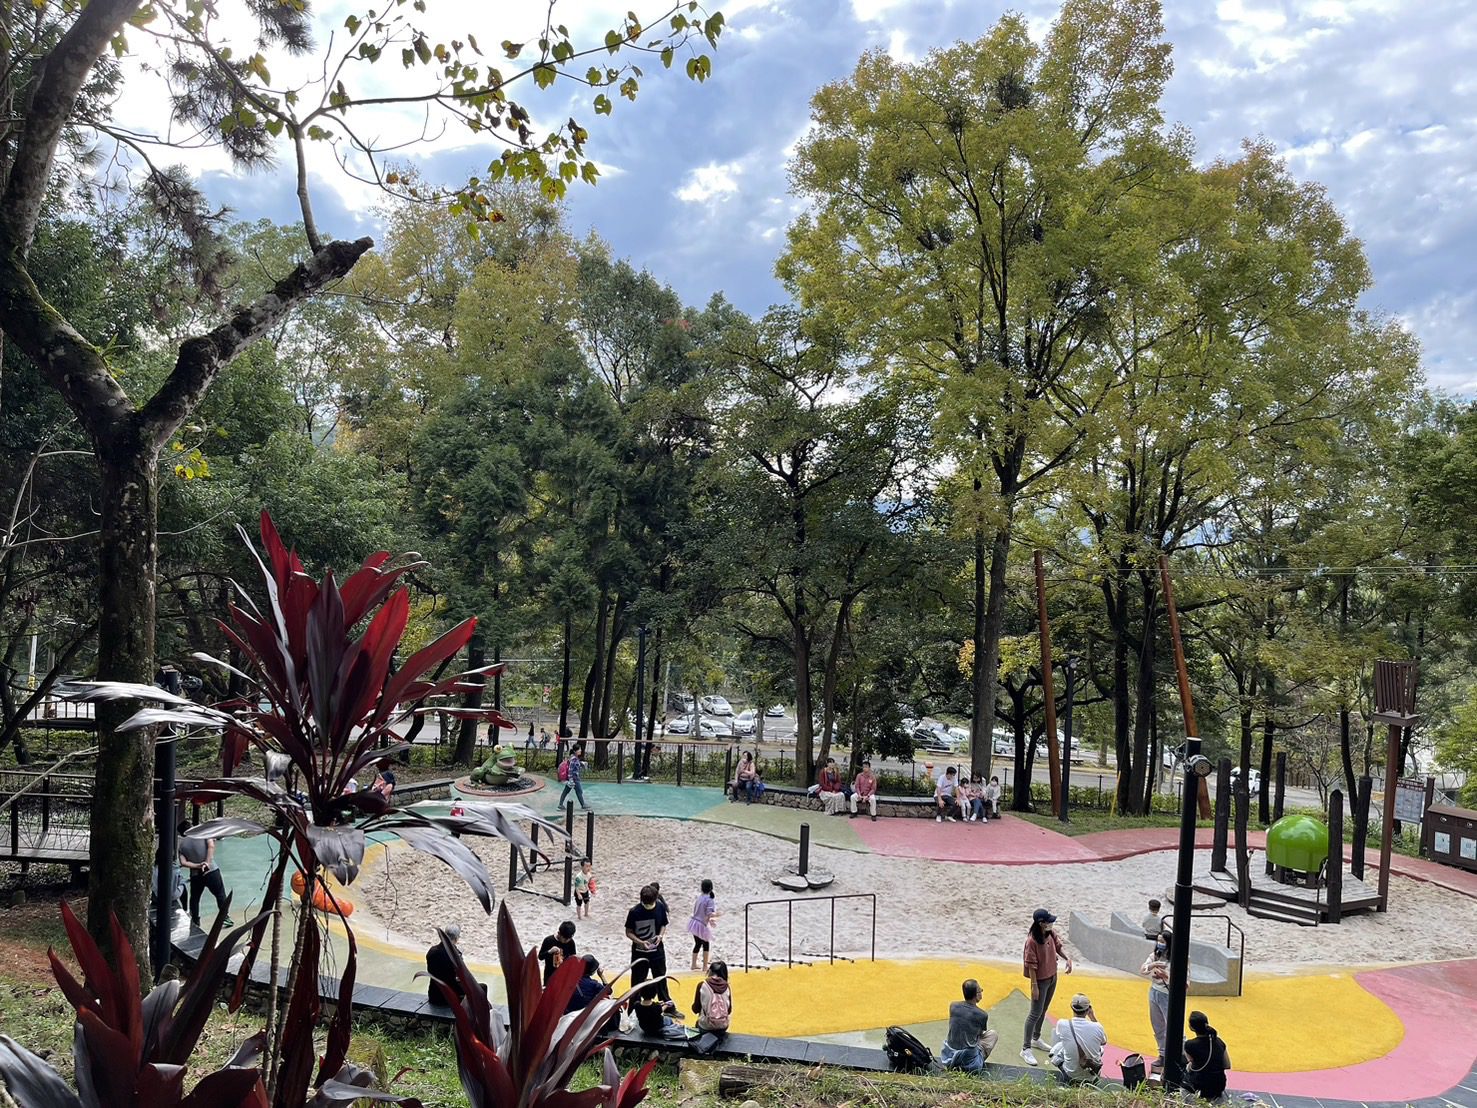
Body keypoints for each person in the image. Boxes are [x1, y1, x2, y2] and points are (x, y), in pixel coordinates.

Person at [1020, 908, 1072, 1066]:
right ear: (1041, 923)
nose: (1051, 923)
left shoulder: (1050, 933)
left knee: (1043, 1009)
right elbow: (1031, 965)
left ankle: (1036, 1038)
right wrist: (1034, 986)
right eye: (1048, 921)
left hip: (1052, 977)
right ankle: (1025, 1048)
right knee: (1034, 1013)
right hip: (1040, 980)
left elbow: (1058, 947)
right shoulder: (1032, 941)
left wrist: (1067, 958)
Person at [177, 819, 232, 928]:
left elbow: (183, 862)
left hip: (195, 875)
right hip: (211, 870)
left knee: (195, 898)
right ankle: (225, 918)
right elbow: (211, 845)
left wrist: (198, 866)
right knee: (220, 894)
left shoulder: (182, 845)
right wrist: (207, 863)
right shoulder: (203, 833)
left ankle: (195, 920)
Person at [939, 978, 998, 1073]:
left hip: (949, 1057)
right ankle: (975, 1061)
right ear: (976, 994)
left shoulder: (953, 1006)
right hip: (969, 1062)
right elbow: (979, 1034)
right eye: (980, 990)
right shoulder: (982, 1015)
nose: (981, 992)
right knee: (992, 1035)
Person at [625, 883, 670, 1002]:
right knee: (637, 982)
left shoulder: (660, 907)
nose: (648, 905)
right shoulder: (634, 912)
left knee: (661, 979)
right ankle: (634, 1006)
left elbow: (663, 924)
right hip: (639, 953)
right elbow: (628, 932)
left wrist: (660, 936)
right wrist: (640, 942)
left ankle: (667, 1004)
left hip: (657, 952)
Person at [1049, 993, 1106, 1084]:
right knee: (1100, 1048)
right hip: (1092, 1076)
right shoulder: (1098, 1027)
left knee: (1060, 1038)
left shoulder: (1062, 1023)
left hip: (1070, 1074)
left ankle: (1057, 1060)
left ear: (1071, 1007)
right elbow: (1103, 1042)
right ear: (1088, 1009)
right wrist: (1092, 1016)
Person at [1182, 1011, 1231, 1100]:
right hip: (1219, 1085)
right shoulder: (1219, 1041)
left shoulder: (1189, 1044)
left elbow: (1191, 1063)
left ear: (1191, 1028)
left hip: (1200, 1085)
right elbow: (1227, 1065)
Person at [1140, 930, 1171, 1066]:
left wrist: (1164, 975)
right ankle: (1162, 1053)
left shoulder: (1175, 957)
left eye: (1162, 941)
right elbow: (1143, 969)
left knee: (1172, 1025)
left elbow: (1183, 979)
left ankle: (1180, 1053)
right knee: (1158, 1026)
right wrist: (1152, 965)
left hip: (1167, 993)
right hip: (1154, 991)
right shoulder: (1155, 955)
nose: (1159, 944)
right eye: (1158, 941)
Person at [425, 924, 468, 1006]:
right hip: (450, 998)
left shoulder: (432, 951)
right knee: (481, 988)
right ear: (456, 938)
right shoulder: (456, 956)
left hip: (434, 995)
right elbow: (461, 977)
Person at [687, 878, 720, 972]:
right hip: (701, 925)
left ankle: (693, 964)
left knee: (697, 943)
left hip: (694, 923)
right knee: (706, 944)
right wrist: (717, 915)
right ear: (711, 888)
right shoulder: (709, 900)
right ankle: (705, 966)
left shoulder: (700, 897)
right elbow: (709, 913)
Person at [692, 959, 733, 1033]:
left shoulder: (702, 985)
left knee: (698, 1023)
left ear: (710, 971)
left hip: (706, 1026)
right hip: (723, 1026)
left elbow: (695, 1009)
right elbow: (729, 1010)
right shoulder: (726, 986)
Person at [558, 743, 590, 810]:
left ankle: (560, 804)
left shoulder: (574, 758)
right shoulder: (574, 759)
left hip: (573, 779)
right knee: (579, 791)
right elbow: (570, 769)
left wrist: (581, 763)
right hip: (574, 779)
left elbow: (575, 765)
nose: (580, 750)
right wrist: (571, 779)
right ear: (575, 751)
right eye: (579, 749)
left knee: (567, 791)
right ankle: (583, 805)